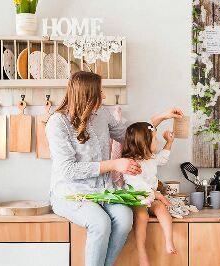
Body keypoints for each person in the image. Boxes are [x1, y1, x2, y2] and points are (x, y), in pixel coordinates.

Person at [45, 71, 183, 266]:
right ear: (87, 94)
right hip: (70, 194)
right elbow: (67, 169)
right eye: (99, 92)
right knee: (100, 223)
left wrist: (162, 116)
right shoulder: (57, 123)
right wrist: (113, 164)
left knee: (125, 219)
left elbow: (131, 135)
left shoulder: (101, 114)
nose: (103, 96)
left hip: (104, 191)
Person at [122, 122, 176, 266]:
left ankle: (169, 240)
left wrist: (169, 143)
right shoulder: (130, 162)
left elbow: (163, 159)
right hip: (136, 197)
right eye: (155, 139)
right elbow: (137, 184)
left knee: (162, 209)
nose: (157, 141)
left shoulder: (151, 158)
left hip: (151, 197)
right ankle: (141, 252)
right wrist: (158, 195)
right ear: (144, 143)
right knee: (142, 215)